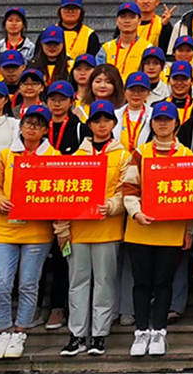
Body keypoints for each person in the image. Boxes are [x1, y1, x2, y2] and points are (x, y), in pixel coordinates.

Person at [122, 99, 193, 357]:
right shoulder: (140, 153)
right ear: (152, 124)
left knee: (164, 283)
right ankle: (141, 331)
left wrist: (189, 231)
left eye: (168, 120)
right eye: (158, 120)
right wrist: (136, 212)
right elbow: (129, 188)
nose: (163, 124)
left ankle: (159, 332)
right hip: (140, 229)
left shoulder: (186, 155)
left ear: (176, 124)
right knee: (141, 283)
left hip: (171, 232)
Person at [0, 102, 57, 359]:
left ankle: (20, 331)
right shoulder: (7, 155)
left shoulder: (54, 157)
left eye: (38, 125)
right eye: (28, 123)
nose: (31, 128)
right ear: (21, 127)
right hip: (6, 228)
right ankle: (2, 330)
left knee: (28, 283)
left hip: (37, 231)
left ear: (45, 129)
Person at [61, 99, 127, 358]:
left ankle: (99, 334)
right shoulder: (76, 157)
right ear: (89, 125)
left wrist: (111, 206)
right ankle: (77, 334)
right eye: (97, 120)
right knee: (77, 283)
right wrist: (62, 229)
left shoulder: (122, 155)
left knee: (104, 282)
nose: (101, 124)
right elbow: (63, 196)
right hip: (78, 230)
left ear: (113, 123)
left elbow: (125, 191)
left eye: (106, 120)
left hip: (107, 228)